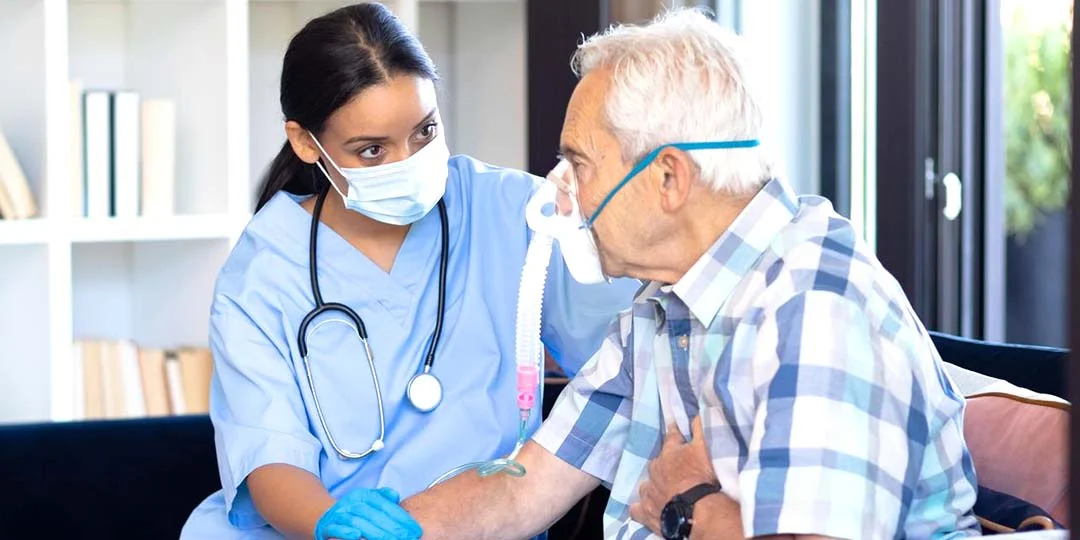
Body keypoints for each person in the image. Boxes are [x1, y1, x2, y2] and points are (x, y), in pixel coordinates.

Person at [401, 7, 981, 540]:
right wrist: (386, 529)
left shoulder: (813, 306)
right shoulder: (661, 306)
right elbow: (523, 486)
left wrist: (685, 505)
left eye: (578, 163)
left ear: (669, 178)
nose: (561, 192)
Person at [178, 4, 639, 539]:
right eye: (372, 150)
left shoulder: (515, 213)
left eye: (424, 132)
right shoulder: (263, 270)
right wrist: (330, 523)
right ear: (307, 143)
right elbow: (268, 457)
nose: (408, 160)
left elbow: (627, 351)